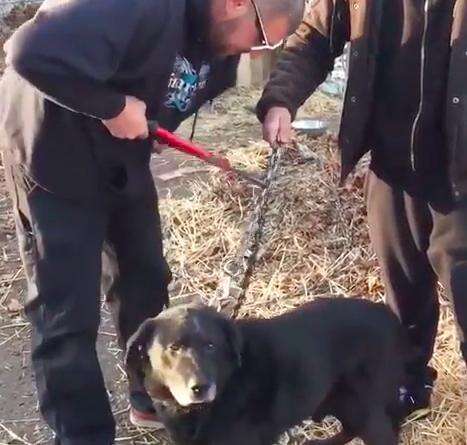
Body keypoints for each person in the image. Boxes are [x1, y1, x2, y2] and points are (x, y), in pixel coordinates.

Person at [0, 0, 304, 443]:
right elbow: (27, 51)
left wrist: (155, 124)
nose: (256, 51)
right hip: (53, 154)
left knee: (143, 274)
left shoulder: (219, 51)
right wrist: (110, 105)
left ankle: (152, 393)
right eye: (259, 36)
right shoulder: (137, 6)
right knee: (66, 307)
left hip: (121, 156)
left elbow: (168, 97)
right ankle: (82, 434)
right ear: (235, 3)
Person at [257, 0, 466, 419]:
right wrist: (280, 99)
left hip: (461, 176)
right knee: (403, 297)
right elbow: (316, 37)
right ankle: (408, 387)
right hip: (392, 169)